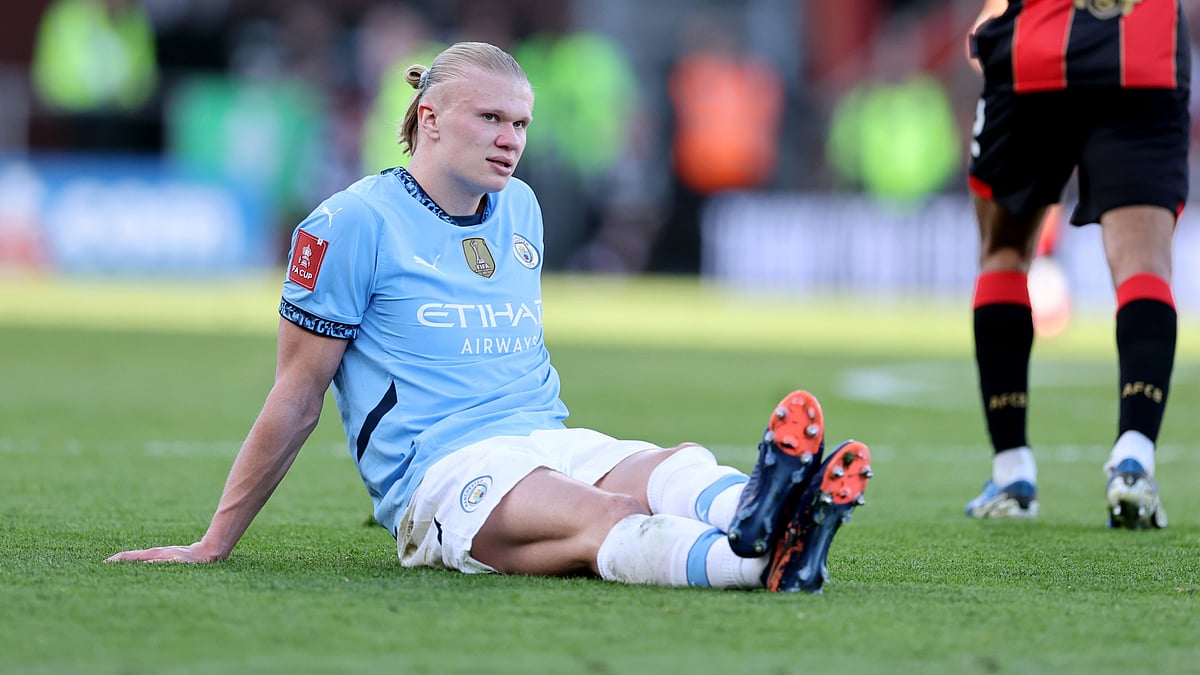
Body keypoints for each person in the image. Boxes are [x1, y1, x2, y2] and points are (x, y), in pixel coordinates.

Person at [105, 42, 873, 592]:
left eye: (522, 124)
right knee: (601, 515)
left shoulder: (522, 208)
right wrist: (214, 540)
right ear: (429, 117)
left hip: (547, 432)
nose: (511, 141)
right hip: (446, 471)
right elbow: (297, 395)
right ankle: (764, 556)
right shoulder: (348, 224)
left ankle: (769, 515)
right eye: (492, 119)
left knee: (674, 464)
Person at [964, 0, 1190, 528]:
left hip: (1034, 53)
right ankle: (1134, 458)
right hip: (1143, 48)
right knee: (1144, 264)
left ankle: (1012, 472)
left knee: (1003, 250)